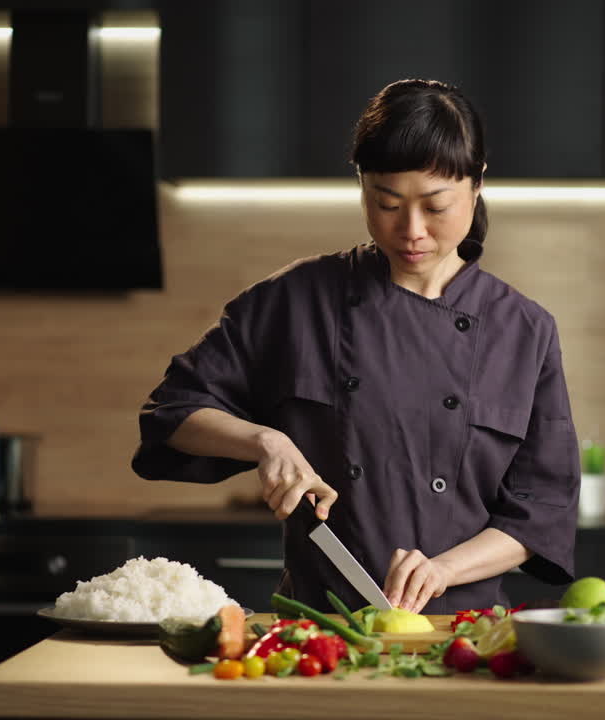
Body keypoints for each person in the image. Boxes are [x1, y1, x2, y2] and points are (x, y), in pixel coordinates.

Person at [133, 78, 579, 614]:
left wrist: (444, 569)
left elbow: (540, 512)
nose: (411, 230)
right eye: (386, 203)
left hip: (465, 632)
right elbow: (171, 412)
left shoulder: (524, 330)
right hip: (317, 626)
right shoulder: (297, 301)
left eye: (435, 207)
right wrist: (264, 441)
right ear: (362, 185)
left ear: (477, 184)